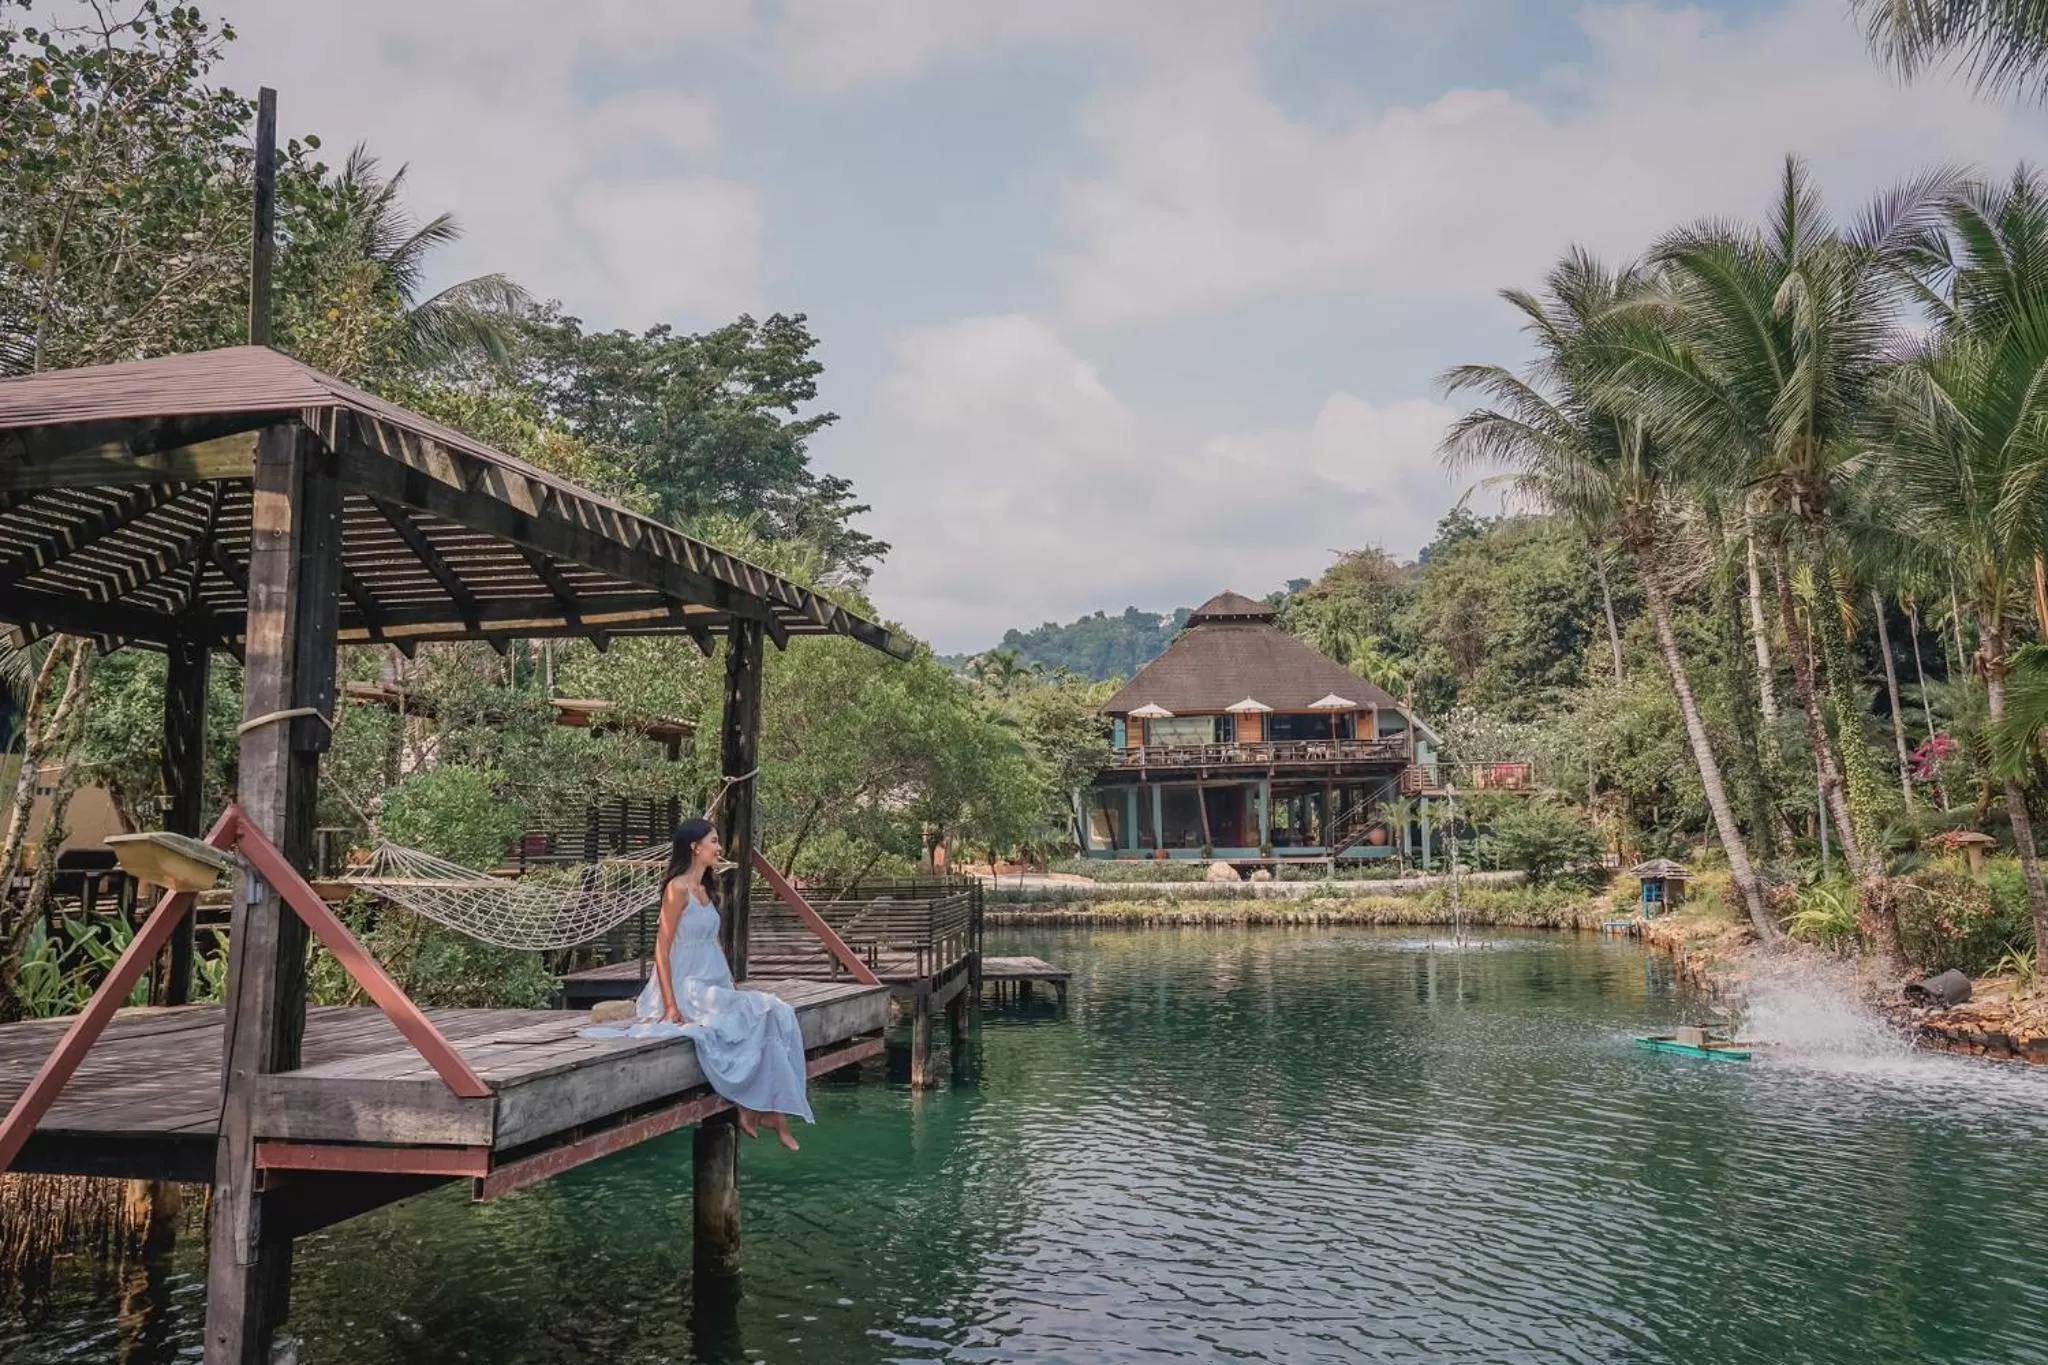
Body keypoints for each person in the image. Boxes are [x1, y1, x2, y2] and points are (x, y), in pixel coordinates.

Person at [581, 818, 812, 1149]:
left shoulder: (706, 889)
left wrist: (729, 980)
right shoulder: (676, 889)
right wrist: (670, 1004)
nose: (719, 848)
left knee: (777, 1012)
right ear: (695, 846)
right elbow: (661, 949)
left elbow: (712, 941)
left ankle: (767, 1109)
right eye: (713, 841)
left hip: (713, 982)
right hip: (688, 987)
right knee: (765, 1009)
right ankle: (756, 1108)